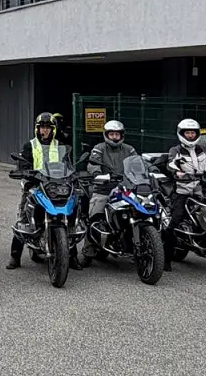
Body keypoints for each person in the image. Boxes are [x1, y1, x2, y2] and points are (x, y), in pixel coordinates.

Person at [7, 112, 76, 269]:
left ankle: (71, 256)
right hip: (35, 185)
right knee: (24, 217)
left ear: (53, 130)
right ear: (37, 129)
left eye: (48, 128)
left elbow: (68, 164)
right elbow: (23, 164)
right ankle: (15, 256)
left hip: (56, 184)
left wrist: (72, 174)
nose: (44, 131)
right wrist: (26, 173)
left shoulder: (59, 146)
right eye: (42, 127)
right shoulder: (30, 145)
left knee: (70, 215)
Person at [80, 119, 139, 260]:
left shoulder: (129, 149)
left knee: (140, 212)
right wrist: (97, 174)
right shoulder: (99, 148)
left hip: (125, 188)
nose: (114, 137)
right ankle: (88, 250)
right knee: (95, 215)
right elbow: (93, 163)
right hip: (103, 188)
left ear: (121, 135)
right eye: (111, 134)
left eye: (117, 134)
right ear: (106, 135)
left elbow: (138, 162)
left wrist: (146, 172)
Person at [163, 118, 206, 269]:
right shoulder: (175, 150)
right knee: (175, 220)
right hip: (182, 189)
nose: (190, 135)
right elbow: (170, 164)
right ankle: (166, 259)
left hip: (200, 189)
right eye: (188, 133)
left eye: (193, 133)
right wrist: (177, 172)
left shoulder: (204, 149)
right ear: (181, 134)